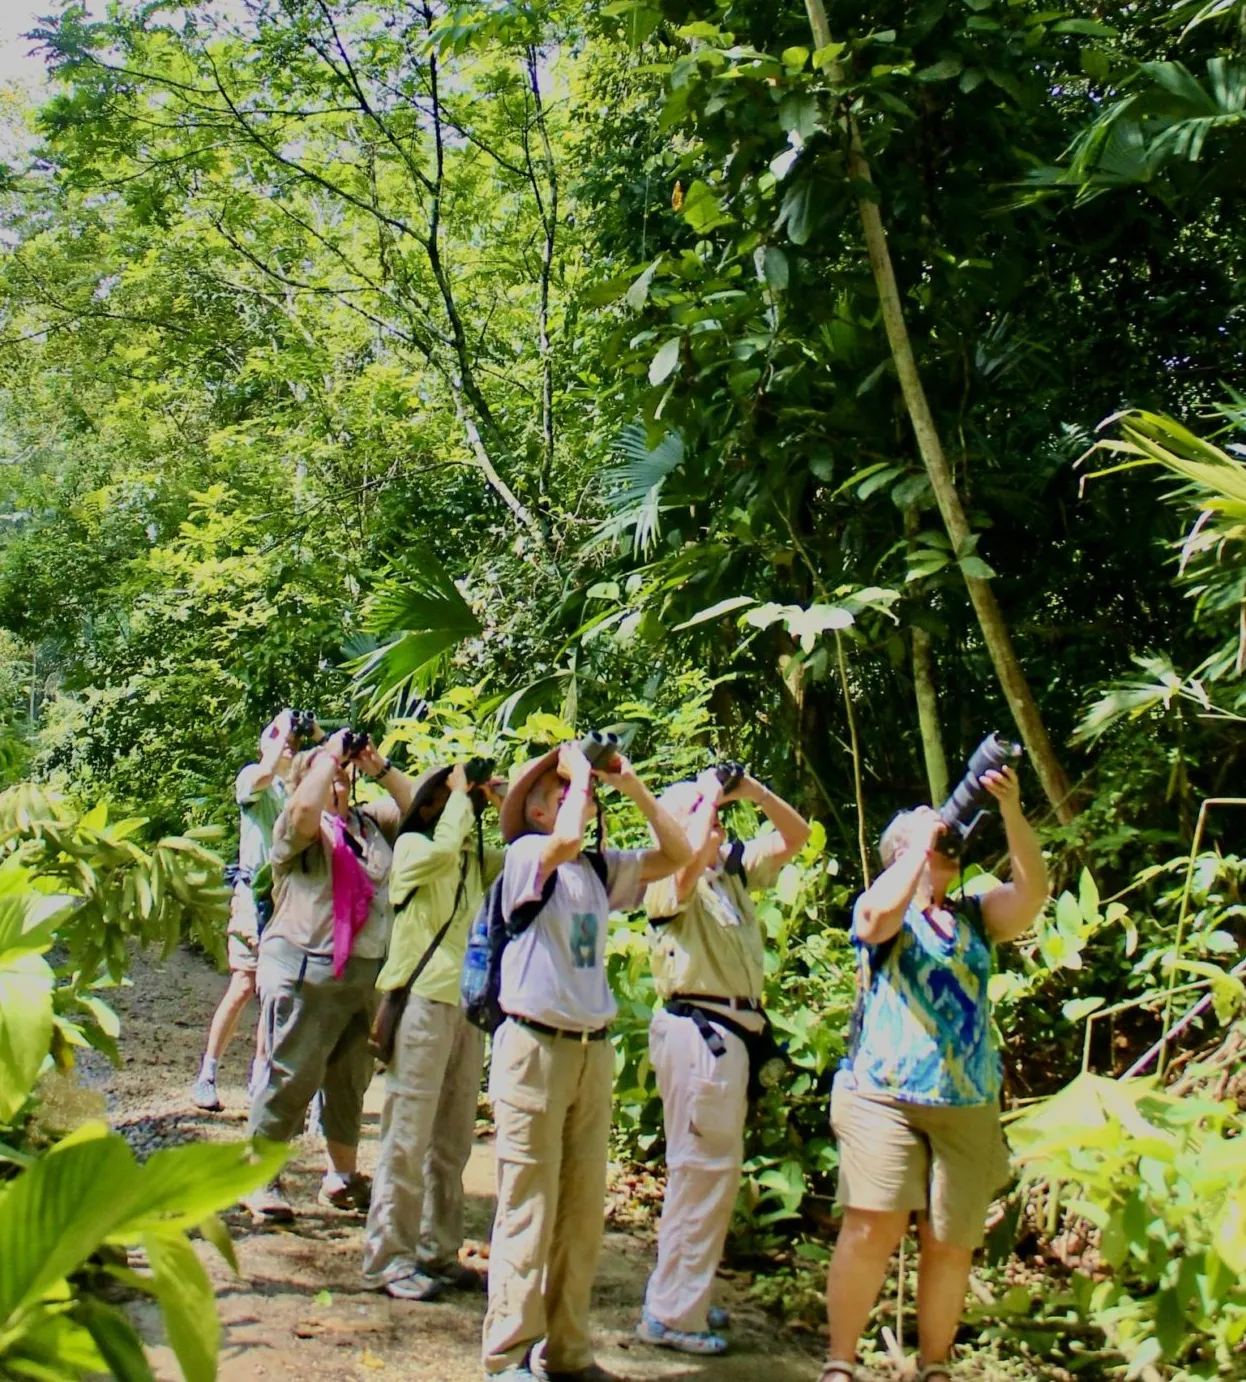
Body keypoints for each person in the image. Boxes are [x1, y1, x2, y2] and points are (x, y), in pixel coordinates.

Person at [820, 766, 1047, 1382]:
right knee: (873, 1226)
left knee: (951, 1242)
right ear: (901, 855)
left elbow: (1032, 895)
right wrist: (916, 847)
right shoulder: (884, 907)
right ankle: (841, 1360)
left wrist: (1011, 812)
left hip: (966, 1102)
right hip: (883, 1099)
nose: (944, 848)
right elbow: (874, 922)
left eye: (947, 843)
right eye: (930, 843)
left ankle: (936, 1365)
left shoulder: (973, 915)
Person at [481, 739, 692, 1382]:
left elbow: (679, 855)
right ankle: (508, 1355)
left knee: (579, 1211)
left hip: (589, 1051)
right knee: (527, 1204)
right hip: (532, 1049)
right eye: (562, 793)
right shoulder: (525, 856)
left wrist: (629, 786)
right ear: (540, 811)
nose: (581, 795)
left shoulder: (597, 872)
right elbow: (564, 841)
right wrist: (573, 774)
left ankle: (568, 1350)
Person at [635, 767, 809, 1356]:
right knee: (700, 1173)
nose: (714, 820)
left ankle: (684, 1295)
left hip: (731, 1037)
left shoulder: (728, 875)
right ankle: (671, 1314)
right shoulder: (666, 878)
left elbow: (796, 835)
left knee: (712, 1173)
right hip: (700, 1035)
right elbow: (682, 868)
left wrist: (754, 791)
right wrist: (706, 795)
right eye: (701, 814)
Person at [241, 729, 419, 1223]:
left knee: (349, 1077)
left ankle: (342, 1177)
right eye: (329, 775)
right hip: (304, 967)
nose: (339, 779)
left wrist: (376, 764)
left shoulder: (371, 824)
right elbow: (301, 811)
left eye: (344, 774)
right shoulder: (298, 826)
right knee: (292, 1072)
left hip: (363, 971)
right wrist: (325, 759)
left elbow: (424, 808)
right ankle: (258, 1176)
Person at [362, 760, 506, 1300]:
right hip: (422, 1001)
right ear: (429, 806)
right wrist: (460, 797)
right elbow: (444, 849)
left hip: (466, 1007)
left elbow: (529, 856)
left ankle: (436, 1250)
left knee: (451, 1141)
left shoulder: (473, 858)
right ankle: (386, 1258)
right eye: (449, 796)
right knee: (406, 1137)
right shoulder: (414, 849)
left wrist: (500, 798)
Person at [192, 709, 302, 1112]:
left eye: (291, 737)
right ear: (264, 743)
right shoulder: (253, 775)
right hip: (252, 897)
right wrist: (279, 738)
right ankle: (208, 1072)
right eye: (277, 736)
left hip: (289, 898)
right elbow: (260, 778)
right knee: (243, 985)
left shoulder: (298, 787)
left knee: (274, 993)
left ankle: (260, 1078)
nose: (287, 741)